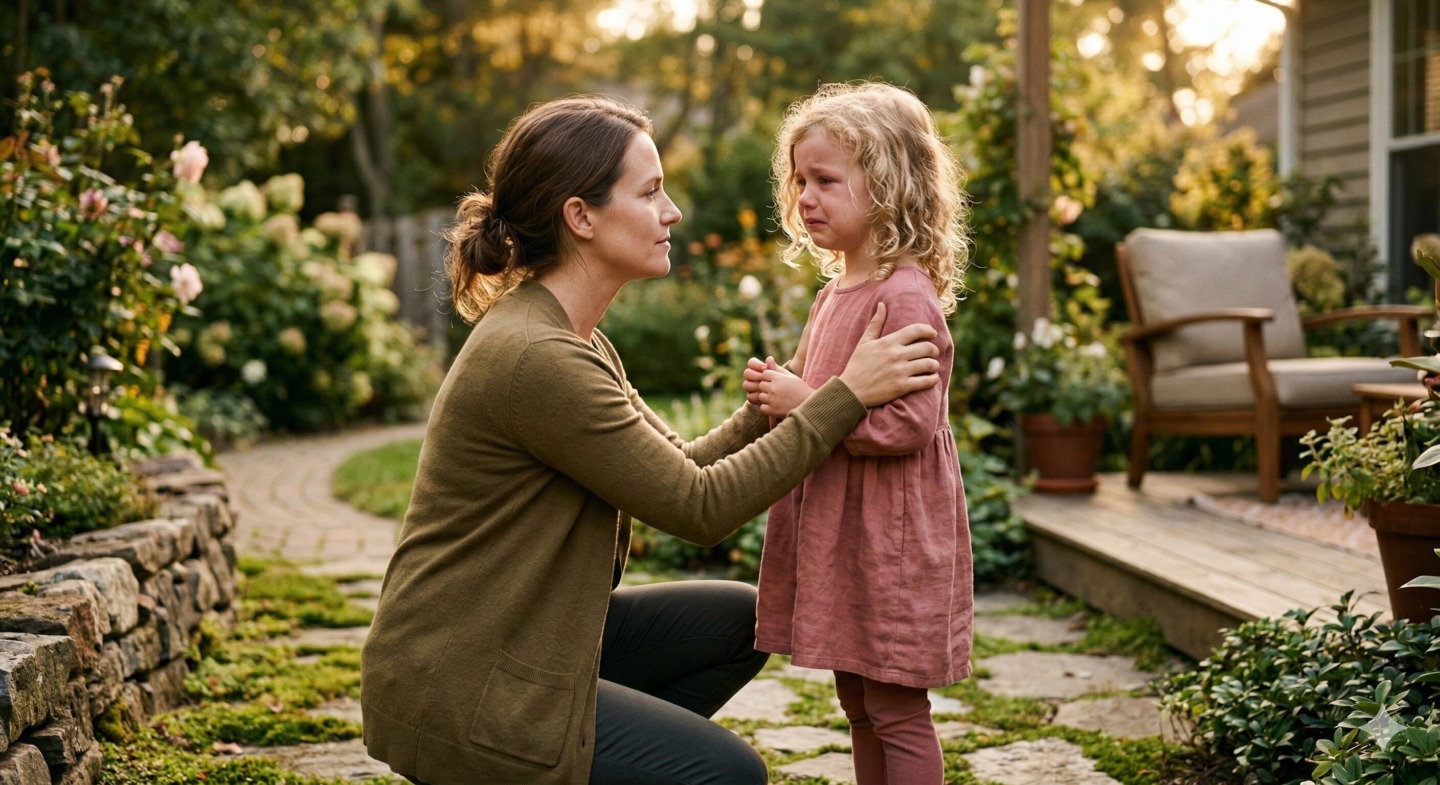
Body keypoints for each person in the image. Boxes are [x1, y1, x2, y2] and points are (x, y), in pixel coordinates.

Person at [360, 94, 944, 785]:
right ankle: (536, 761)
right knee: (728, 774)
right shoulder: (536, 358)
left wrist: (773, 403)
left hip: (527, 639)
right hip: (466, 688)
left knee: (737, 624)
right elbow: (699, 507)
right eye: (651, 193)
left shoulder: (574, 338)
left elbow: (681, 465)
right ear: (581, 216)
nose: (671, 213)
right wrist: (846, 396)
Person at [743, 82, 973, 785]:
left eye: (826, 181)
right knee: (858, 697)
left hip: (889, 538)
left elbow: (908, 422)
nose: (806, 197)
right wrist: (781, 394)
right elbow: (830, 399)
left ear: (888, 187)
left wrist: (803, 397)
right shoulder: (835, 291)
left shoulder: (904, 295)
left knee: (896, 705)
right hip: (846, 533)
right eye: (800, 181)